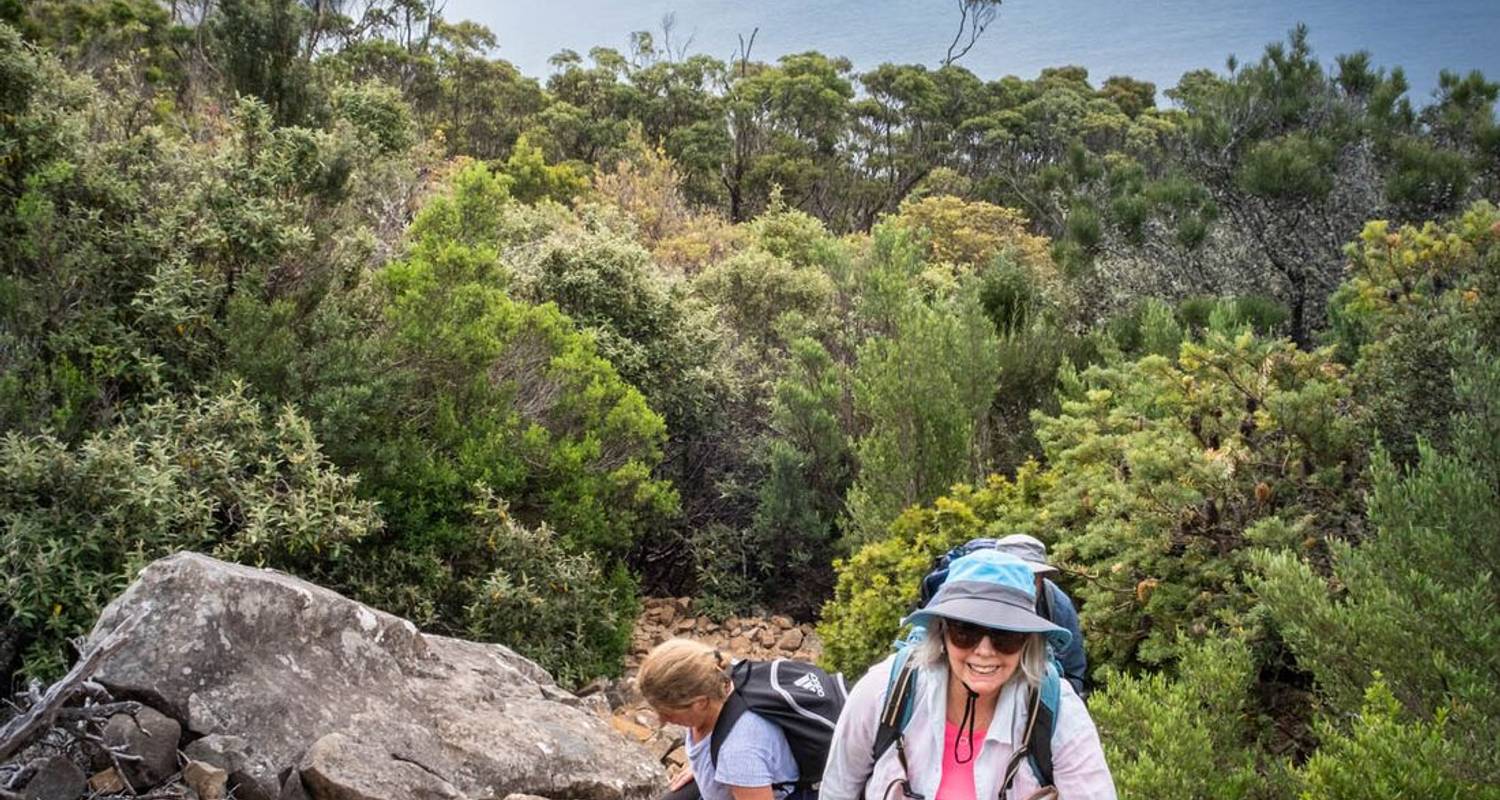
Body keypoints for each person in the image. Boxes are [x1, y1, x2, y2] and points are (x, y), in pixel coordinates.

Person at [820, 550, 1115, 800]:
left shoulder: (1056, 708)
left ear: (1028, 641)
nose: (984, 651)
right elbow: (837, 790)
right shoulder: (884, 691)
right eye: (966, 631)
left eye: (1006, 635)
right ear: (942, 633)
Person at [638, 639, 802, 800]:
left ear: (700, 703)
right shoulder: (718, 675)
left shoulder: (738, 752)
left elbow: (743, 756)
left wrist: (729, 772)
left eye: (667, 713)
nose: (662, 721)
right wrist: (704, 769)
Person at [995, 534, 1088, 698]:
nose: (1022, 586)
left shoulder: (1058, 607)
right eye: (1014, 576)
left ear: (1042, 578)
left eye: (1030, 577)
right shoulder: (976, 601)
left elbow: (1073, 672)